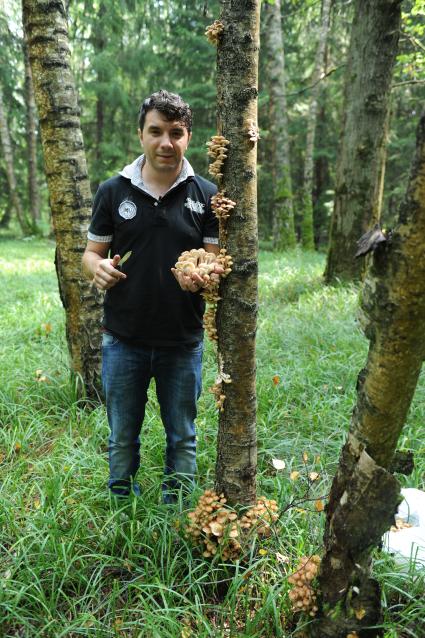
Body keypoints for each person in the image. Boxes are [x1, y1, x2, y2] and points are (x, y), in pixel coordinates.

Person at [82, 90, 222, 502]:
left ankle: (176, 509)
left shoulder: (208, 195)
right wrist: (98, 267)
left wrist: (202, 275)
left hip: (182, 339)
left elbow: (213, 260)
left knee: (183, 435)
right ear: (141, 135)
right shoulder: (112, 192)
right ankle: (121, 502)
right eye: (156, 131)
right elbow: (91, 254)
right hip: (123, 337)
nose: (166, 142)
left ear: (188, 137)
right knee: (122, 434)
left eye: (176, 133)